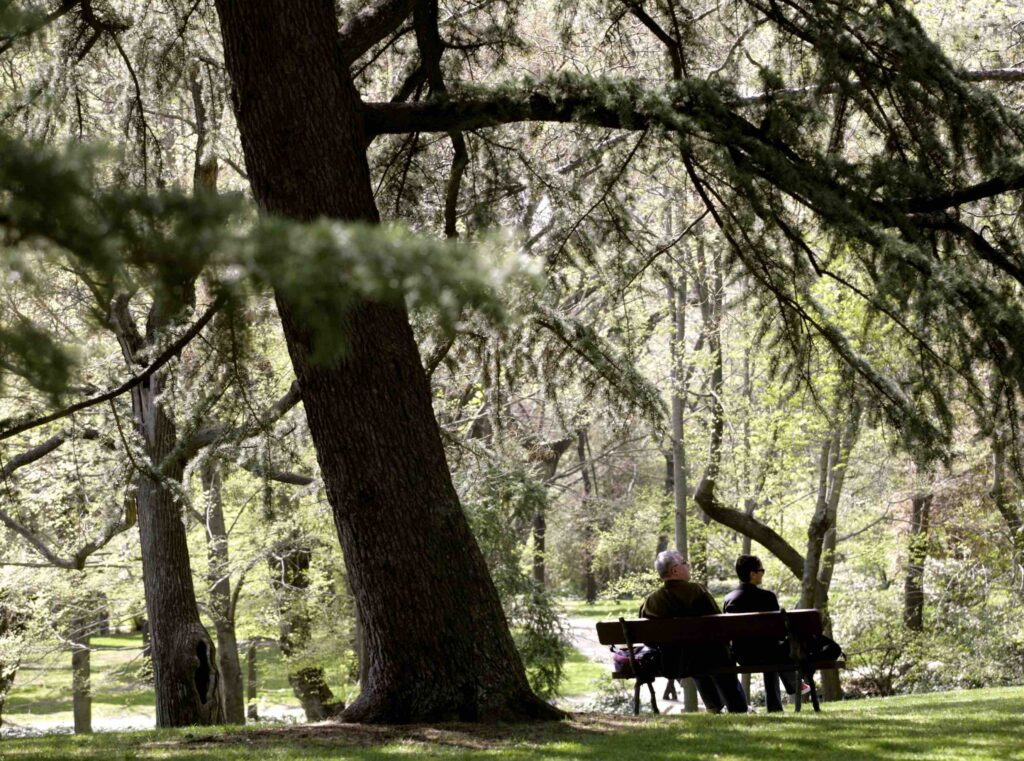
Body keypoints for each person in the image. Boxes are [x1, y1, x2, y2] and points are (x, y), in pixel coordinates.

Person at [641, 550, 749, 713]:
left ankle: (713, 707)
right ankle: (738, 707)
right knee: (713, 653)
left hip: (675, 661)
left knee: (693, 655)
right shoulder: (696, 591)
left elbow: (648, 639)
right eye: (684, 563)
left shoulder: (651, 601)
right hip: (710, 656)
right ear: (675, 570)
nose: (688, 566)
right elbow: (719, 624)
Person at [722, 554, 804, 712]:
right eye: (761, 570)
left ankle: (789, 690)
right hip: (769, 654)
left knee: (769, 649)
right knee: (774, 650)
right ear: (753, 574)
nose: (762, 573)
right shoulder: (767, 597)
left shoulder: (729, 599)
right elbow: (779, 632)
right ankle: (791, 689)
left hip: (742, 656)